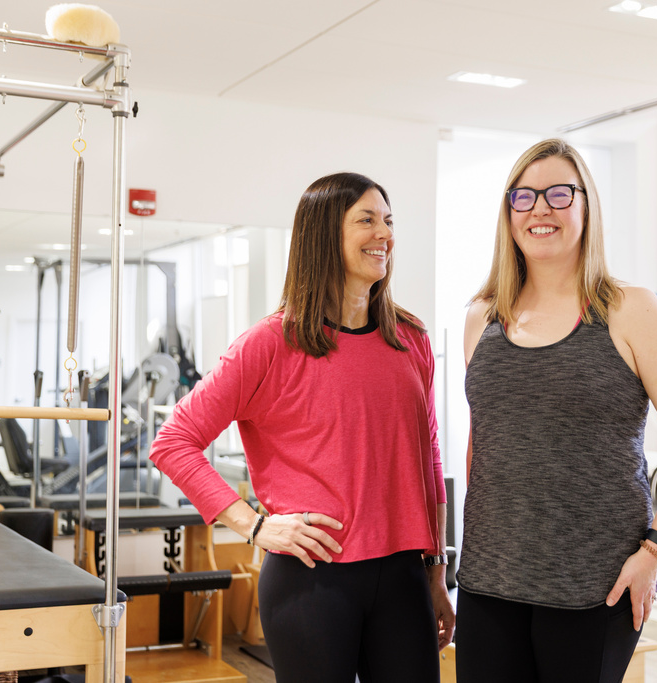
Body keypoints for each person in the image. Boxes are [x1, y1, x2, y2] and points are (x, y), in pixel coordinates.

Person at [150, 172, 455, 683]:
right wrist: (256, 526)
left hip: (405, 575)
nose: (384, 234)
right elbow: (174, 442)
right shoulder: (269, 343)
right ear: (322, 235)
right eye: (366, 220)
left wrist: (437, 572)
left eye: (388, 221)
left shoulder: (410, 339)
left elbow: (429, 459)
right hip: (312, 579)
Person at [457, 138, 657, 682]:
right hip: (489, 578)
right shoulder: (483, 316)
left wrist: (654, 551)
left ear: (586, 206)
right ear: (508, 215)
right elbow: (486, 438)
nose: (540, 209)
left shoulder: (629, 310)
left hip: (594, 583)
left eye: (558, 193)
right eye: (523, 197)